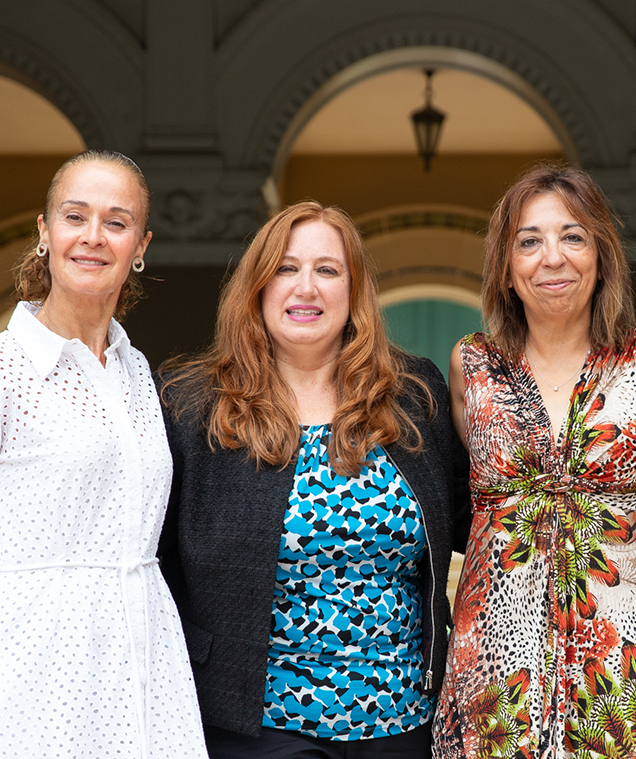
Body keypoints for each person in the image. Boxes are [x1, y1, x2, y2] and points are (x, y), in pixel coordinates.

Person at [0, 149, 207, 757]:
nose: (93, 237)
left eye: (116, 222)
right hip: (24, 668)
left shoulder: (136, 373)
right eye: (75, 217)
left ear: (142, 245)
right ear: (44, 232)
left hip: (140, 659)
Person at [155, 201, 471, 758]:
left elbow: (481, 515)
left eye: (327, 270)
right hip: (255, 727)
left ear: (354, 293)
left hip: (403, 723)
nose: (306, 287)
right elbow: (127, 525)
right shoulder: (191, 403)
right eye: (285, 268)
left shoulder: (412, 393)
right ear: (257, 285)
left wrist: (626, 495)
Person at [434, 164, 636, 759]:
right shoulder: (471, 366)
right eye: (530, 241)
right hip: (495, 676)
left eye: (572, 236)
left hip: (625, 674)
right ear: (506, 264)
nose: (553, 258)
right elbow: (459, 491)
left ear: (601, 252)